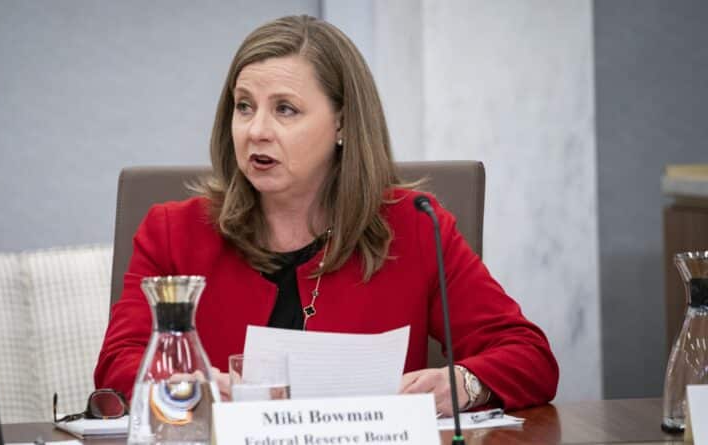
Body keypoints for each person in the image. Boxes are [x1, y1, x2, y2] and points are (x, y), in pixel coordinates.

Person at [94, 14, 558, 415]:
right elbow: (118, 367)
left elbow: (529, 357)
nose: (256, 131)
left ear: (341, 122)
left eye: (285, 110)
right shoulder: (173, 233)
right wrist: (195, 388)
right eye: (244, 107)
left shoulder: (413, 227)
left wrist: (462, 385)